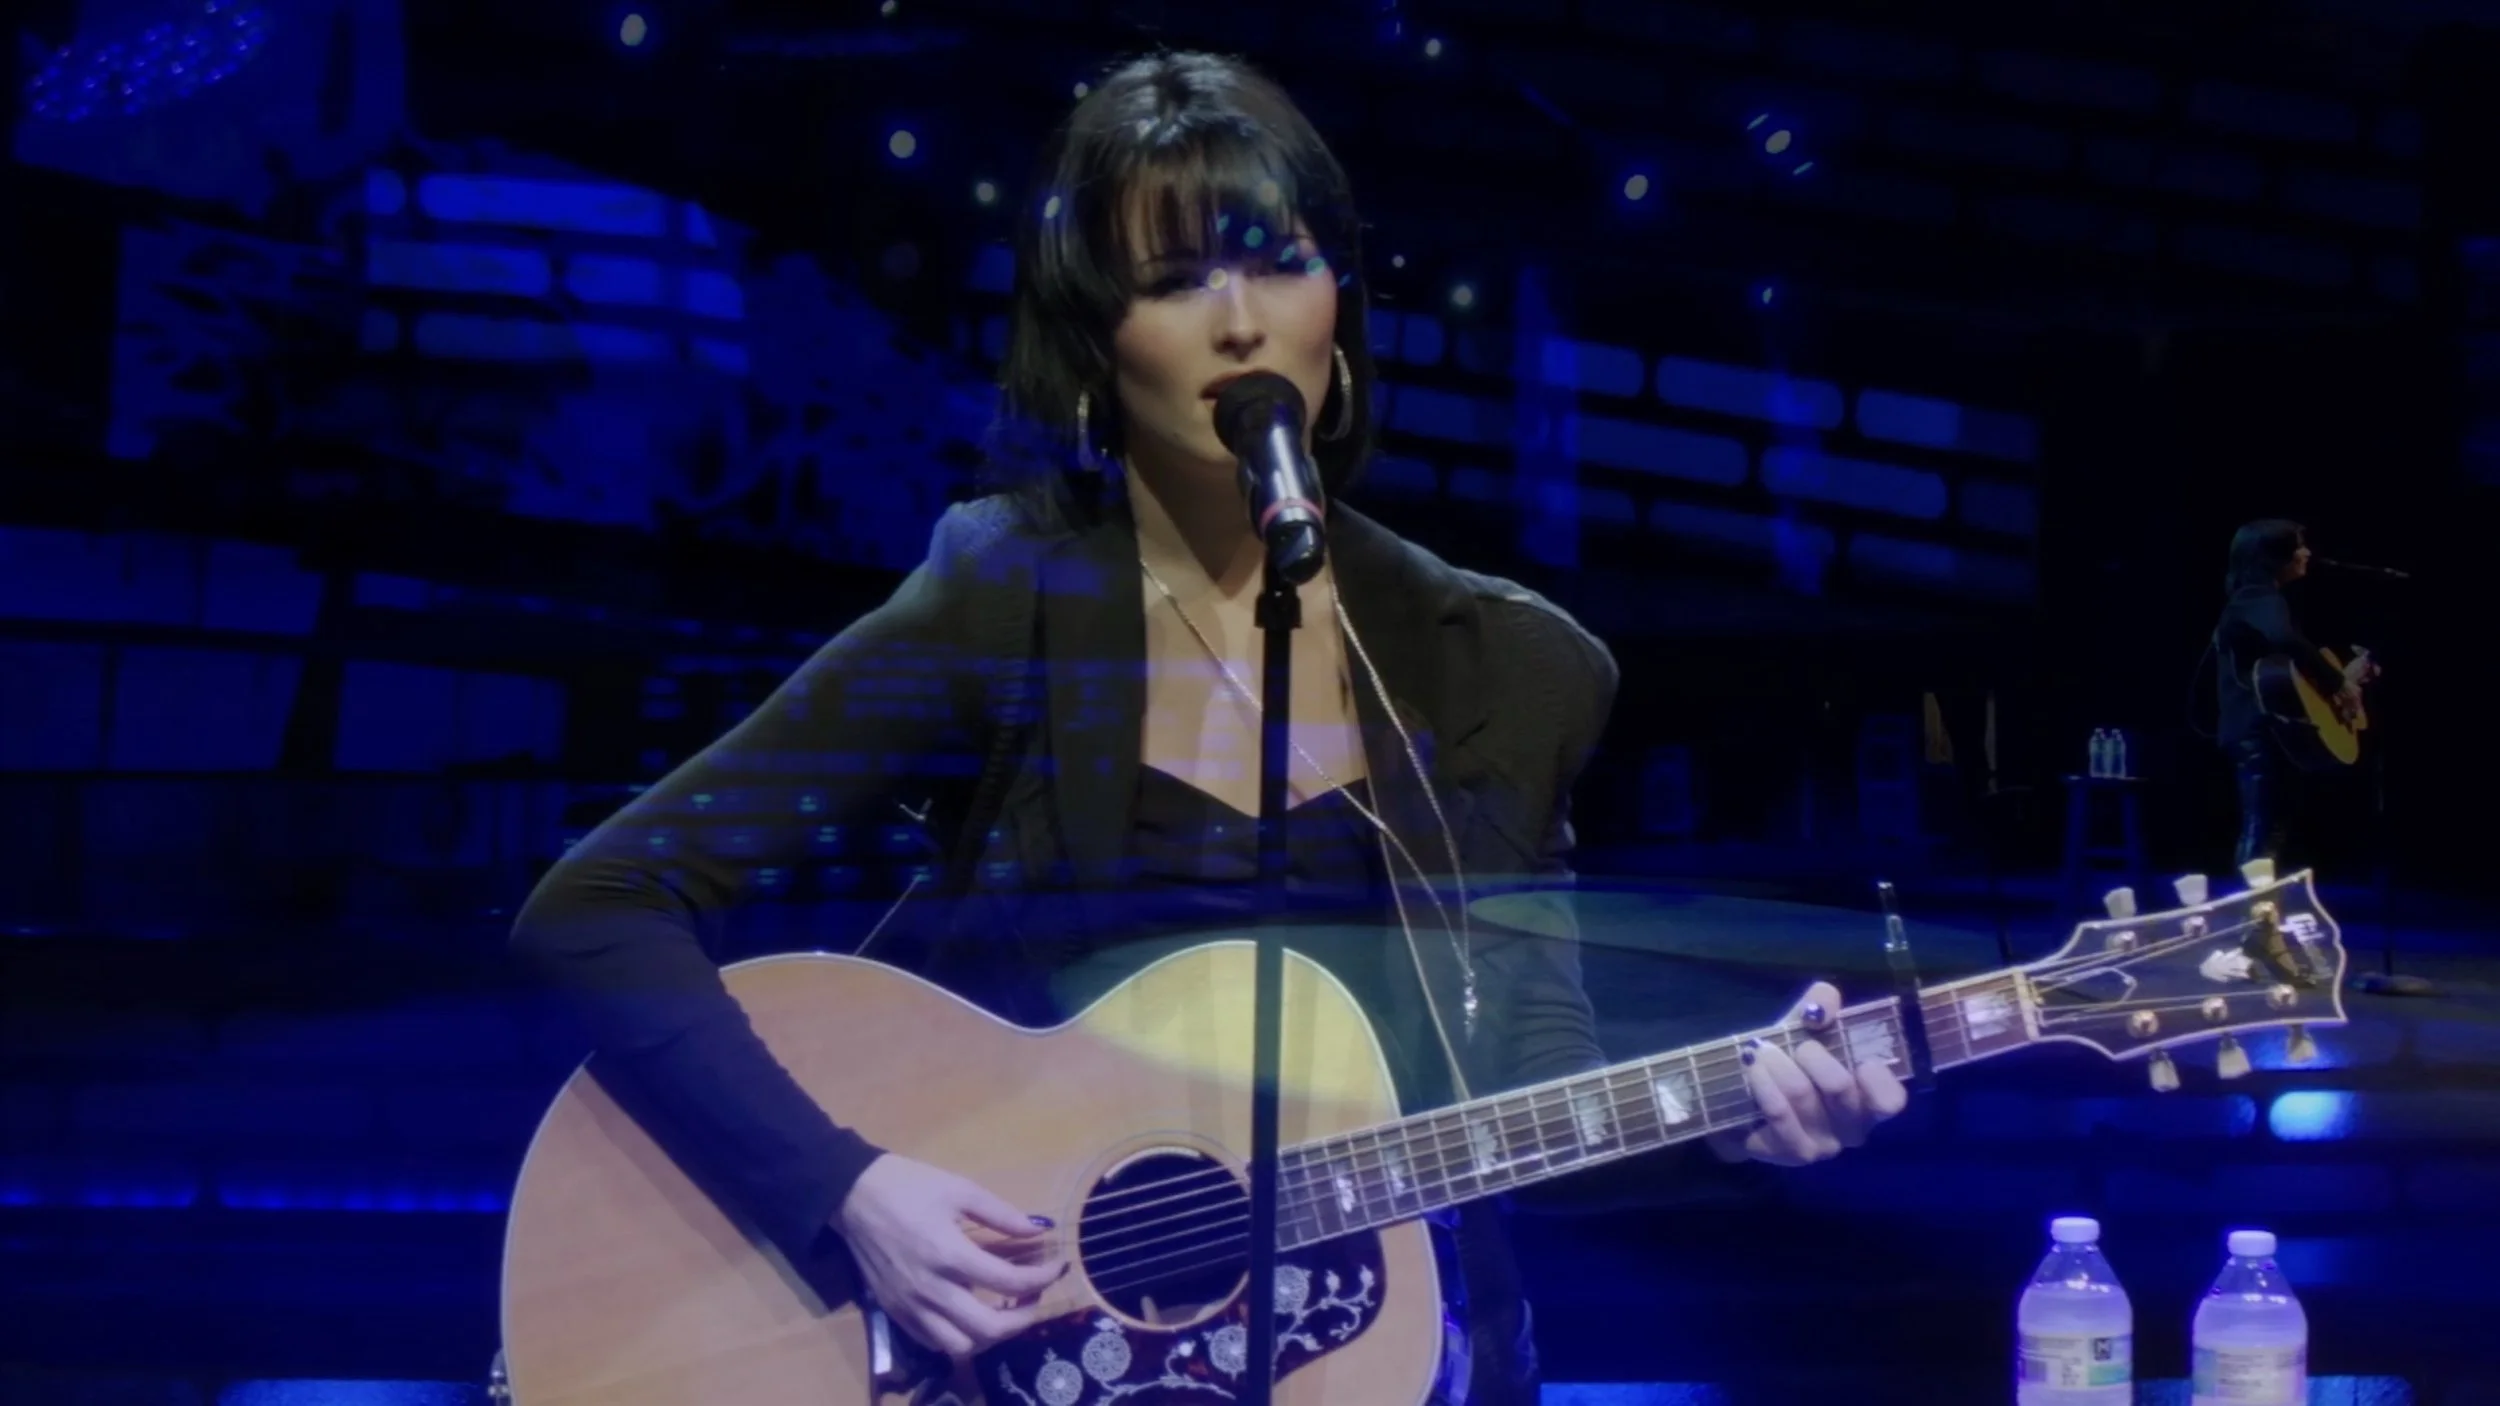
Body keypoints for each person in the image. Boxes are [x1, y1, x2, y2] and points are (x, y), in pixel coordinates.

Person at [510, 50, 1907, 1404]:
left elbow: (1527, 1088)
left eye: (1278, 261)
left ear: (1340, 306)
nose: (1240, 321)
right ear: (1097, 350)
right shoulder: (1010, 601)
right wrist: (846, 1190)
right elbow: (599, 905)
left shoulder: (1506, 665)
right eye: (1176, 281)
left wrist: (1749, 1118)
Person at [2210, 519, 2379, 868]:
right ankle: (2255, 915)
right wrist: (2339, 683)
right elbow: (2285, 639)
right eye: (2298, 545)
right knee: (2261, 828)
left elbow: (2286, 670)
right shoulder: (2256, 597)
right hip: (2256, 731)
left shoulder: (2259, 599)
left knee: (2273, 829)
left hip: (2269, 729)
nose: (2307, 552)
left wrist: (2339, 680)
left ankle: (2265, 911)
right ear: (2274, 556)